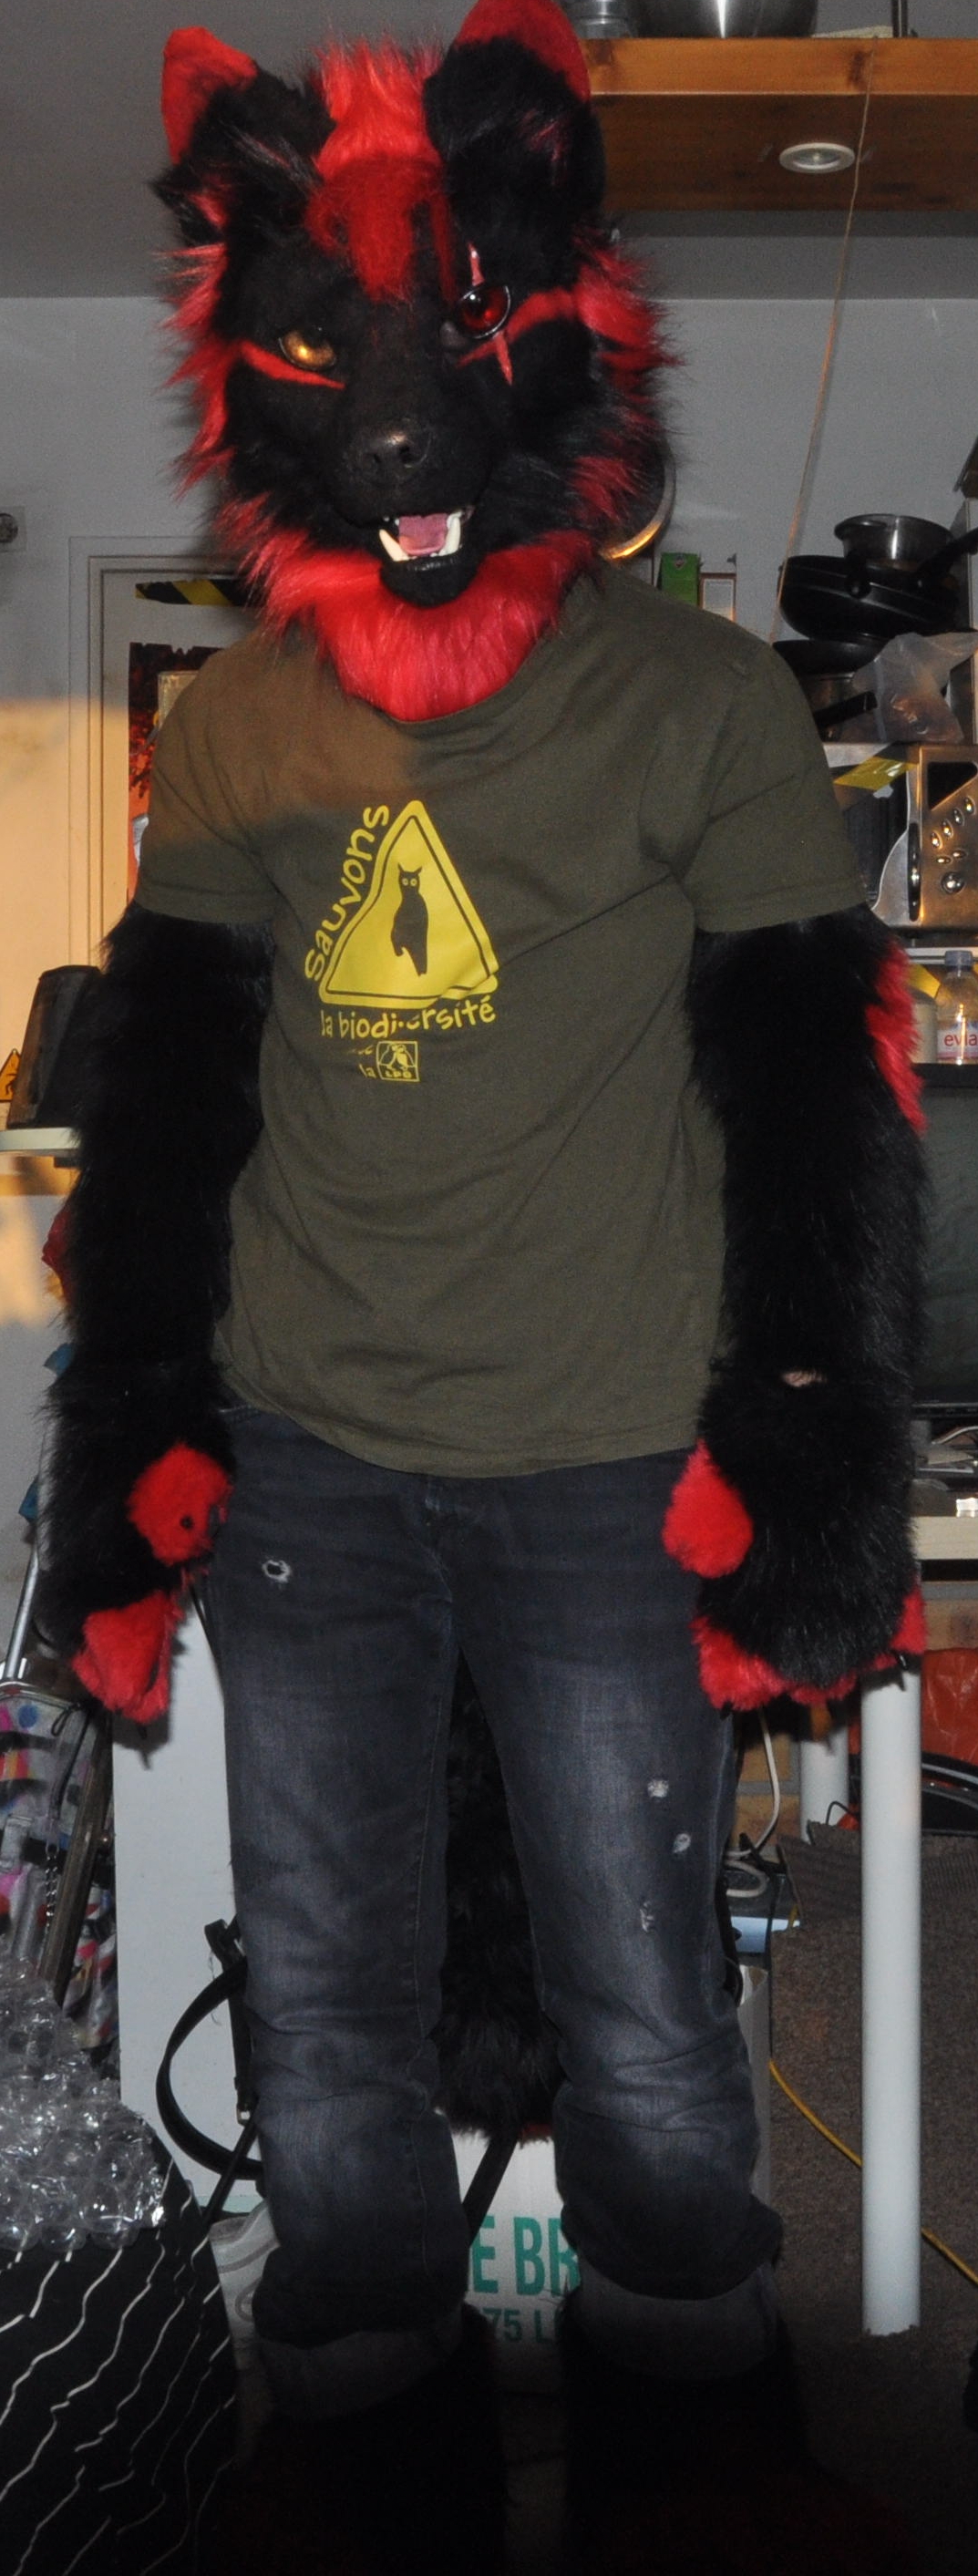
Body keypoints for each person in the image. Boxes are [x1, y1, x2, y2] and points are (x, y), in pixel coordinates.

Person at [41, 6, 923, 2569]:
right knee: (324, 2015)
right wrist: (128, 1453)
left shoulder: (701, 704)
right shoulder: (233, 737)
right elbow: (170, 1107)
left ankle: (696, 2463)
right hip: (315, 1458)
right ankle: (364, 2466)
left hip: (598, 1457)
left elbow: (815, 1087)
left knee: (645, 2014)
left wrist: (807, 1440)